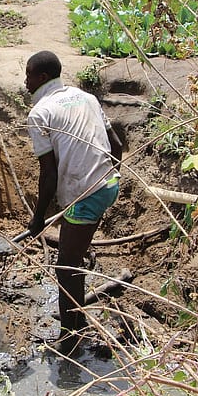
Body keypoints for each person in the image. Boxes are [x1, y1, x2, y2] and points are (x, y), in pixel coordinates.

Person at [24, 50, 123, 356]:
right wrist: (107, 176)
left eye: (28, 74)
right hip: (108, 184)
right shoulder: (86, 97)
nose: (25, 80)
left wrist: (38, 218)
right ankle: (77, 327)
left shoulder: (39, 113)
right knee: (73, 253)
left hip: (85, 194)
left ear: (41, 77)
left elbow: (49, 174)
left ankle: (71, 344)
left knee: (66, 267)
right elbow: (116, 145)